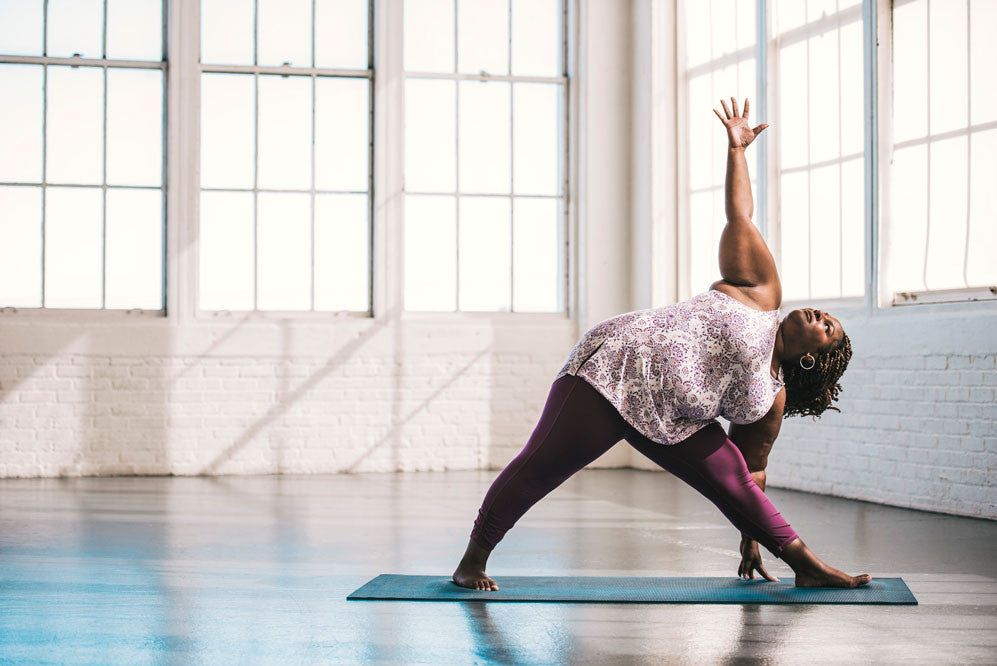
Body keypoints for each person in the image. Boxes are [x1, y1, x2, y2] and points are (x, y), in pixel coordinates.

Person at [452, 97, 871, 592]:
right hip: (612, 374)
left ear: (810, 358)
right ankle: (471, 563)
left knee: (729, 479)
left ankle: (807, 566)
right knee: (539, 467)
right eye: (825, 315)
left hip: (674, 420)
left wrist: (751, 539)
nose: (821, 316)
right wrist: (737, 150)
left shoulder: (768, 398)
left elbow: (749, 474)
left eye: (829, 328)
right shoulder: (761, 293)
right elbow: (741, 215)